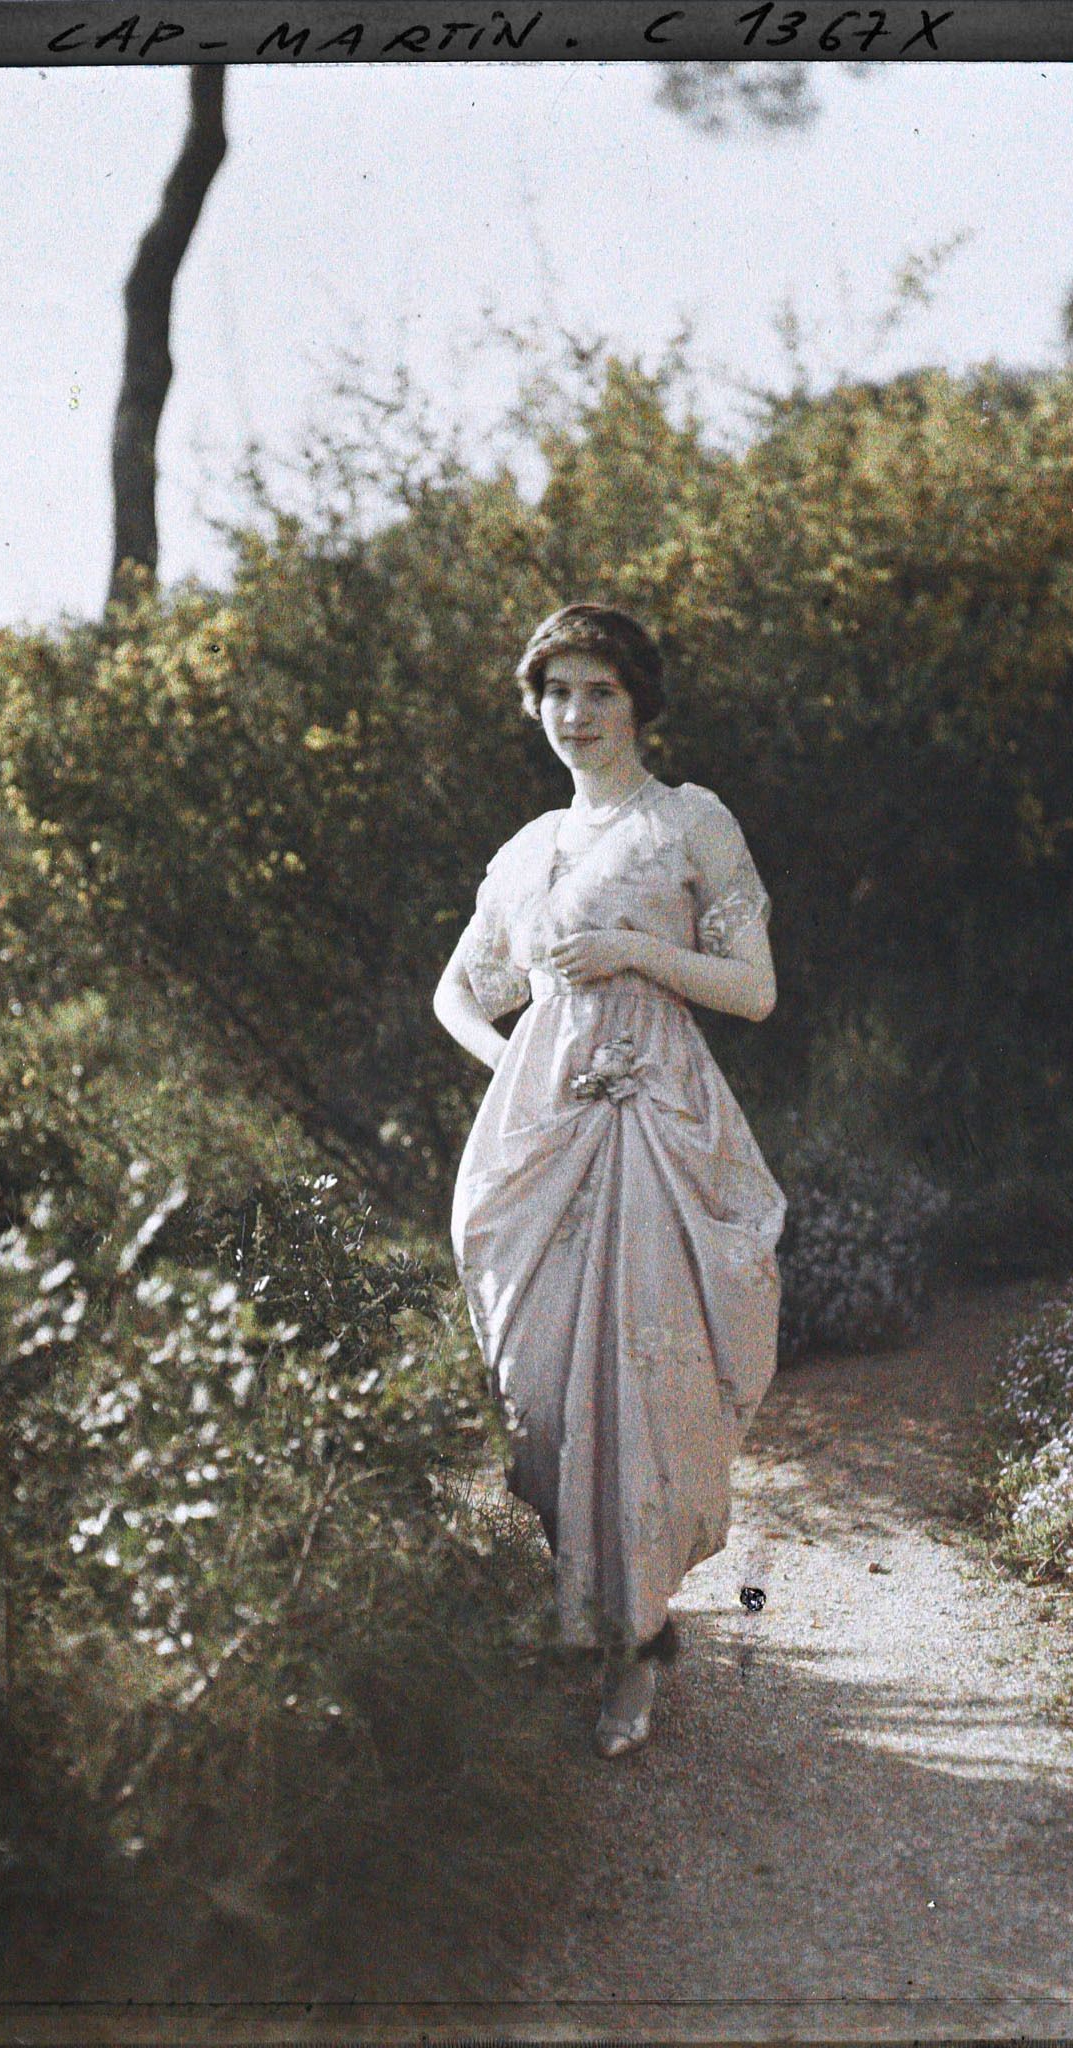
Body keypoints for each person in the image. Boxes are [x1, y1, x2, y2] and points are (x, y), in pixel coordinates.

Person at [432, 605, 786, 1760]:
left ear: (638, 701)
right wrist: (518, 1072)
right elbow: (458, 995)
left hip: (657, 1125)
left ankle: (631, 1655)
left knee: (644, 1387)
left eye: (599, 692)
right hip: (547, 1137)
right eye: (556, 694)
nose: (575, 716)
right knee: (538, 1385)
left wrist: (636, 953)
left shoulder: (688, 822)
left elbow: (754, 989)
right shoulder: (526, 847)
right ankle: (575, 1618)